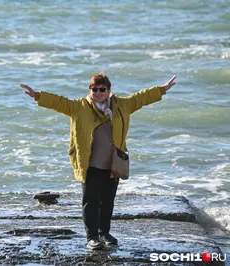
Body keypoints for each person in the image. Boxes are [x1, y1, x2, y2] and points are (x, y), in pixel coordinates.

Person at [20, 73, 176, 250]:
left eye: (102, 89)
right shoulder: (79, 107)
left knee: (108, 201)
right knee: (91, 202)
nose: (98, 92)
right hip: (90, 164)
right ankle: (92, 237)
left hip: (113, 164)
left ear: (109, 91)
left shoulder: (122, 105)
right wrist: (37, 95)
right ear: (90, 90)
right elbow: (58, 102)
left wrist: (162, 89)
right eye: (94, 89)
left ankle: (104, 233)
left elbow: (141, 98)